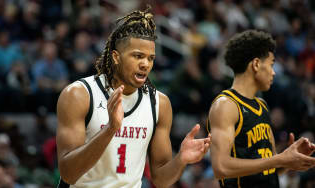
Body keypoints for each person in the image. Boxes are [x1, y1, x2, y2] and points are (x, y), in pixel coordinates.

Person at [56, 6, 211, 188]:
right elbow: (68, 174)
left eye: (150, 58)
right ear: (116, 57)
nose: (145, 64)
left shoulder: (159, 103)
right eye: (138, 56)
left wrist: (181, 160)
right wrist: (110, 129)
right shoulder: (79, 95)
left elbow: (161, 180)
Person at [207, 29, 315, 188]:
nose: (273, 73)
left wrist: (289, 160)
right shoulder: (226, 105)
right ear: (256, 64)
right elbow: (220, 167)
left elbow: (268, 170)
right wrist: (280, 159)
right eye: (271, 65)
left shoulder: (262, 105)